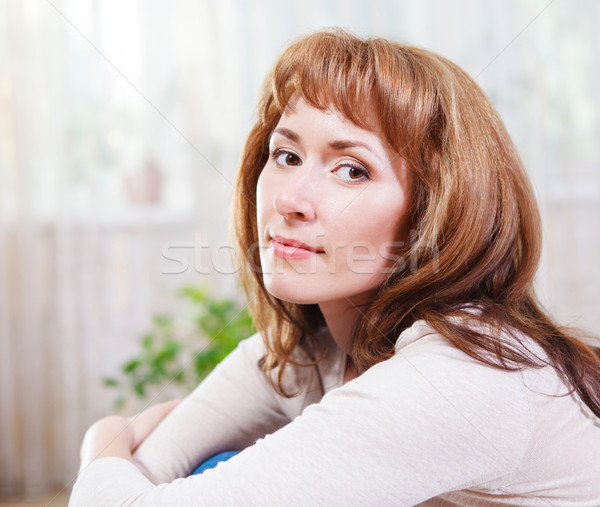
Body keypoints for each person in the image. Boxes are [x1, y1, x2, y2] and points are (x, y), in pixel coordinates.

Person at [69, 29, 600, 506]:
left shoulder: (463, 375)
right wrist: (118, 462)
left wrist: (103, 440)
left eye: (351, 170)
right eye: (287, 156)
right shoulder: (302, 352)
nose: (290, 200)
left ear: (433, 215)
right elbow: (144, 472)